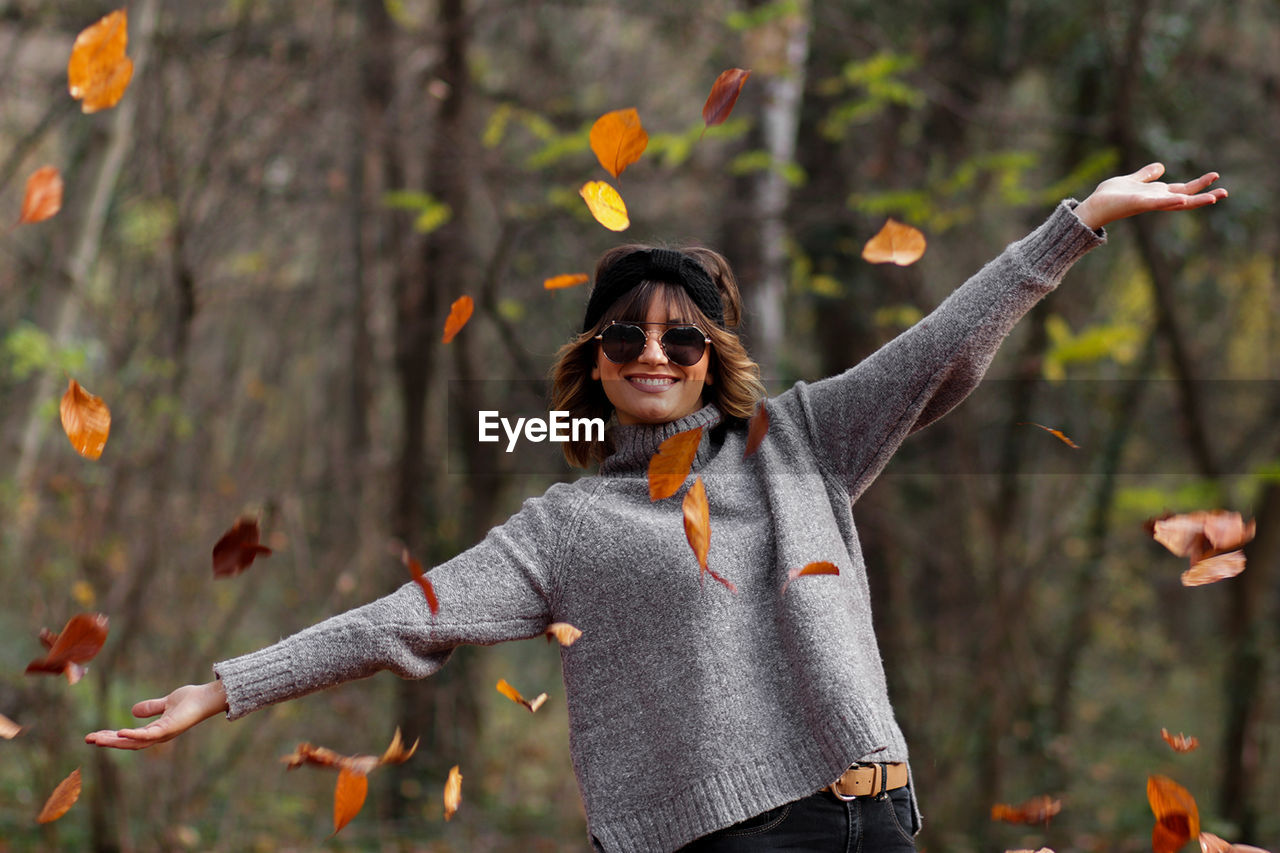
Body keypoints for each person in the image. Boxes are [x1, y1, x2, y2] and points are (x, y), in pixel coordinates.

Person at [87, 163, 1226, 852]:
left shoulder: (802, 438)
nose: (652, 350)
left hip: (880, 815)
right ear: (593, 356)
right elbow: (405, 614)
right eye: (626, 332)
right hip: (741, 835)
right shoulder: (565, 527)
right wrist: (226, 687)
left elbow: (940, 347)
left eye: (681, 336)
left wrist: (1073, 225)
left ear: (709, 355)